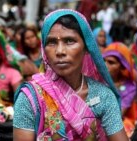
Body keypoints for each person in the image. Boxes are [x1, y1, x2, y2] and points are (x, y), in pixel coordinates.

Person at [13, 9, 128, 141]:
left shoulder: (103, 96)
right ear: (44, 50)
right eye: (51, 42)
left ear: (86, 47)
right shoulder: (31, 98)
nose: (60, 51)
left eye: (69, 41)